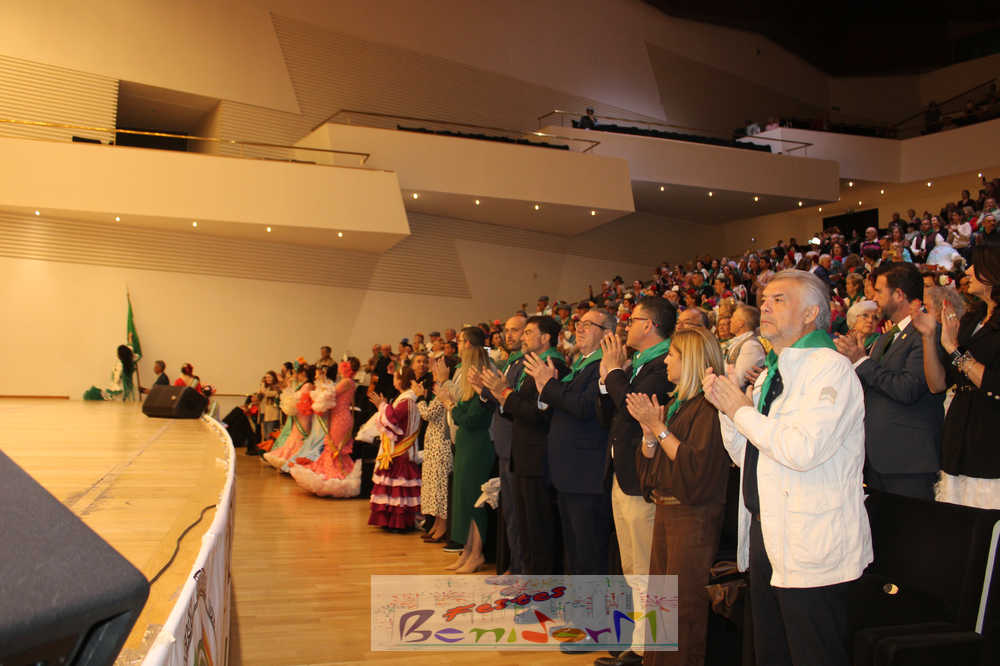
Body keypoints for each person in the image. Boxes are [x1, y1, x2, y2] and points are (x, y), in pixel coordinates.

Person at [703, 269, 871, 666]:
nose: (765, 306)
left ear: (811, 313)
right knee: (771, 650)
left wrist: (740, 410)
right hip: (767, 530)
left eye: (779, 299)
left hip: (809, 537)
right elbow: (748, 456)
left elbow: (802, 449)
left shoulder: (831, 368)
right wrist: (727, 409)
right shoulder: (772, 372)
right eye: (765, 300)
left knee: (812, 653)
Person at [629, 326, 731, 666]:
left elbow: (694, 465)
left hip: (693, 517)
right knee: (661, 605)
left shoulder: (709, 408)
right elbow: (650, 471)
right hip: (667, 512)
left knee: (683, 609)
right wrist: (648, 434)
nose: (666, 361)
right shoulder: (678, 405)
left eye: (672, 354)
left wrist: (658, 429)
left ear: (691, 361)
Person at [596, 297, 676, 666]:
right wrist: (606, 380)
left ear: (649, 325)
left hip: (645, 479)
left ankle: (652, 650)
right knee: (633, 567)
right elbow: (610, 416)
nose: (626, 326)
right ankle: (641, 645)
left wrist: (614, 372)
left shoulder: (663, 364)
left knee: (649, 569)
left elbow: (633, 408)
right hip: (624, 475)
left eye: (633, 319)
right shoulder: (640, 363)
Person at [834, 262, 943, 500]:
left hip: (908, 462)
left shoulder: (926, 333)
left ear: (899, 294)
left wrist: (861, 361)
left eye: (879, 291)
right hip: (877, 459)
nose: (874, 299)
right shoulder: (884, 339)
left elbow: (908, 388)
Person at [477, 316, 568, 575]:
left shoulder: (552, 366)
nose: (523, 337)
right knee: (527, 526)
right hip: (524, 454)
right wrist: (500, 394)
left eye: (528, 332)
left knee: (539, 530)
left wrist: (504, 393)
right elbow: (518, 410)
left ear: (545, 338)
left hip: (539, 457)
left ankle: (540, 589)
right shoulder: (532, 365)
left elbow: (537, 414)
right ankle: (528, 580)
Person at [912, 242, 1000, 509]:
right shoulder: (972, 319)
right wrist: (929, 337)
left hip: (990, 438)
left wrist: (954, 349)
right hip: (959, 436)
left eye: (975, 266)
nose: (968, 271)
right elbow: (938, 384)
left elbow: (994, 382)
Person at [439, 326, 495, 572]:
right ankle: (467, 551)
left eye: (461, 342)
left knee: (474, 501)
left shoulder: (483, 381)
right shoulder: (468, 383)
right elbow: (462, 414)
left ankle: (477, 554)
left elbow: (472, 419)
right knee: (462, 500)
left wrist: (451, 406)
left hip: (478, 446)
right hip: (465, 444)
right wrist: (455, 408)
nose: (458, 346)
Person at [476, 314, 528, 574]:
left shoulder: (526, 364)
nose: (509, 335)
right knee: (510, 512)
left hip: (517, 446)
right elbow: (501, 400)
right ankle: (512, 566)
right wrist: (484, 390)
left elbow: (515, 404)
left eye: (515, 330)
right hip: (505, 445)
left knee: (519, 515)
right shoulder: (511, 362)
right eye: (507, 330)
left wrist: (497, 391)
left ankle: (520, 570)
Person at [290, 358, 363, 497]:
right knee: (332, 445)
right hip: (337, 417)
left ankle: (337, 477)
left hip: (340, 418)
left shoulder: (346, 382)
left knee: (334, 447)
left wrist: (321, 390)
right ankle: (336, 473)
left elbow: (331, 393)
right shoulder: (347, 382)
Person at [368, 365, 422, 531]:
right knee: (398, 488)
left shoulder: (406, 401)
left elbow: (392, 419)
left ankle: (398, 522)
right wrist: (383, 406)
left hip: (401, 450)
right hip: (403, 449)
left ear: (400, 380)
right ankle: (393, 521)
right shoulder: (406, 399)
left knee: (399, 488)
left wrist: (381, 406)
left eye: (395, 377)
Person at [412, 357, 454, 542]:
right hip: (433, 443)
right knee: (432, 487)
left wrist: (420, 397)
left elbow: (428, 414)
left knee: (440, 487)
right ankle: (436, 524)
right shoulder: (439, 387)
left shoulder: (446, 388)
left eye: (438, 366)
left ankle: (442, 526)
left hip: (441, 444)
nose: (434, 370)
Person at [262, 365, 315, 470]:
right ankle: (289, 460)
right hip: (299, 414)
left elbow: (299, 397)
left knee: (300, 436)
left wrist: (290, 395)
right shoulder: (303, 384)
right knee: (294, 436)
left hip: (304, 414)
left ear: (303, 373)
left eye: (298, 373)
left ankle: (295, 461)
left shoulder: (308, 385)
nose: (297, 376)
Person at [726, 305, 766, 389]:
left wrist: (717, 366)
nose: (730, 320)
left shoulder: (751, 345)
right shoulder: (740, 342)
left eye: (733, 317)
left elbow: (739, 380)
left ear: (741, 323)